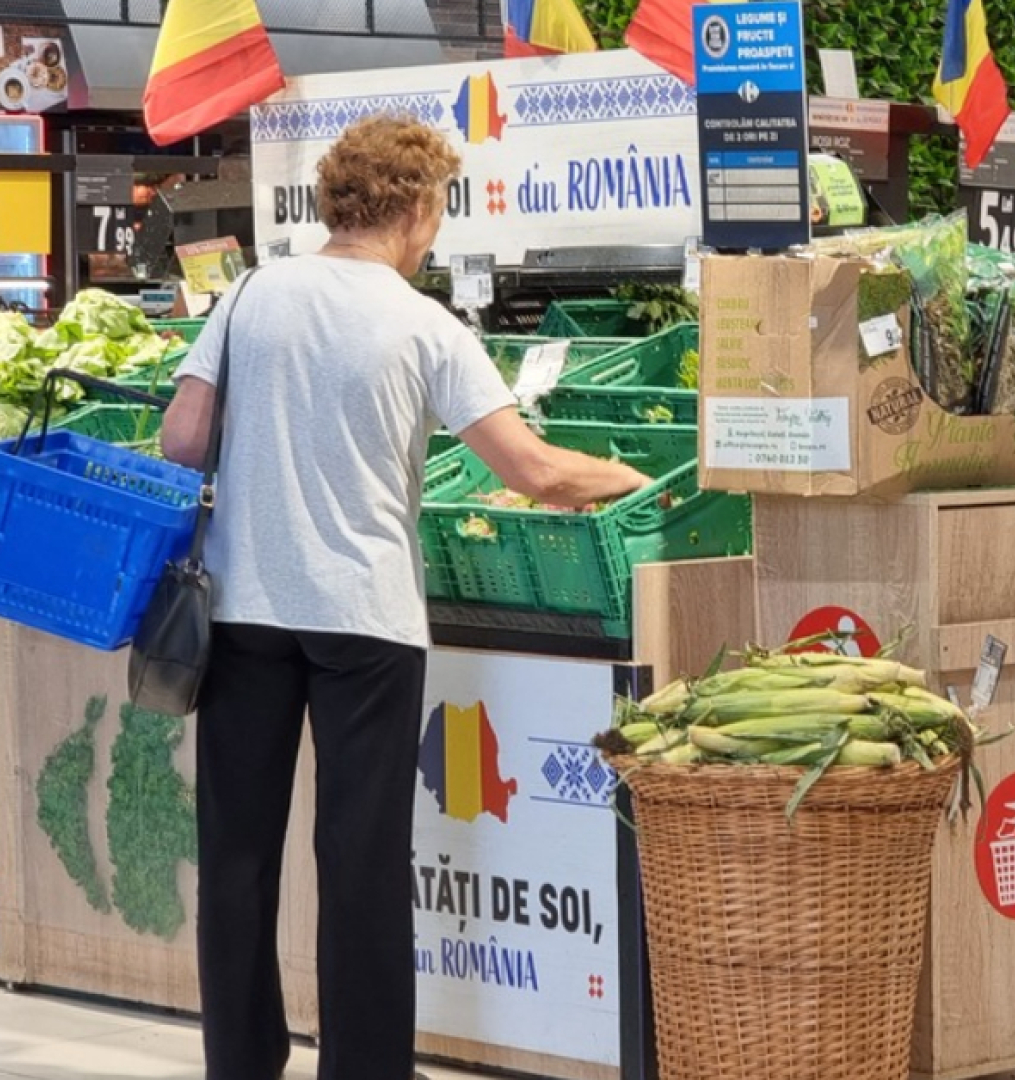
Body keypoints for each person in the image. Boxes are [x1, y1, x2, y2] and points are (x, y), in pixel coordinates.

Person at [159, 115, 651, 1080]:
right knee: (362, 862)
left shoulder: (252, 294)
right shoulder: (426, 325)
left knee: (238, 854)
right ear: (420, 211)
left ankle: (242, 1063)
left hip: (246, 608)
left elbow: (182, 438)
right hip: (366, 624)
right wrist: (631, 481)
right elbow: (534, 470)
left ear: (335, 202)